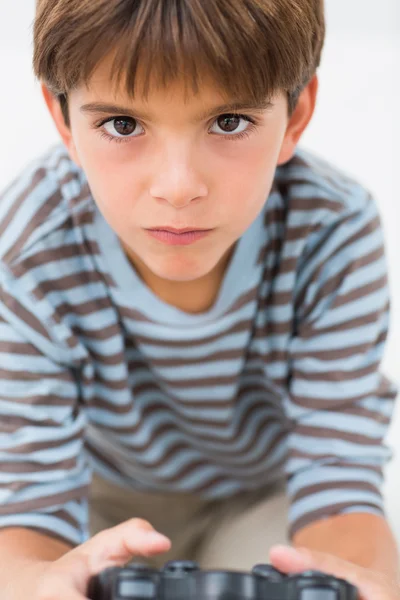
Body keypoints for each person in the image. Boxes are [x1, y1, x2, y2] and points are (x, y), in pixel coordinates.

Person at [0, 0, 398, 598]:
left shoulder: (332, 230)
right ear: (64, 122)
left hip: (256, 500)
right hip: (95, 497)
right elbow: (30, 504)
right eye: (124, 125)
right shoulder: (27, 248)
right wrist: (39, 583)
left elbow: (338, 476)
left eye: (230, 121)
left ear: (296, 115)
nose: (178, 187)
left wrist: (351, 584)